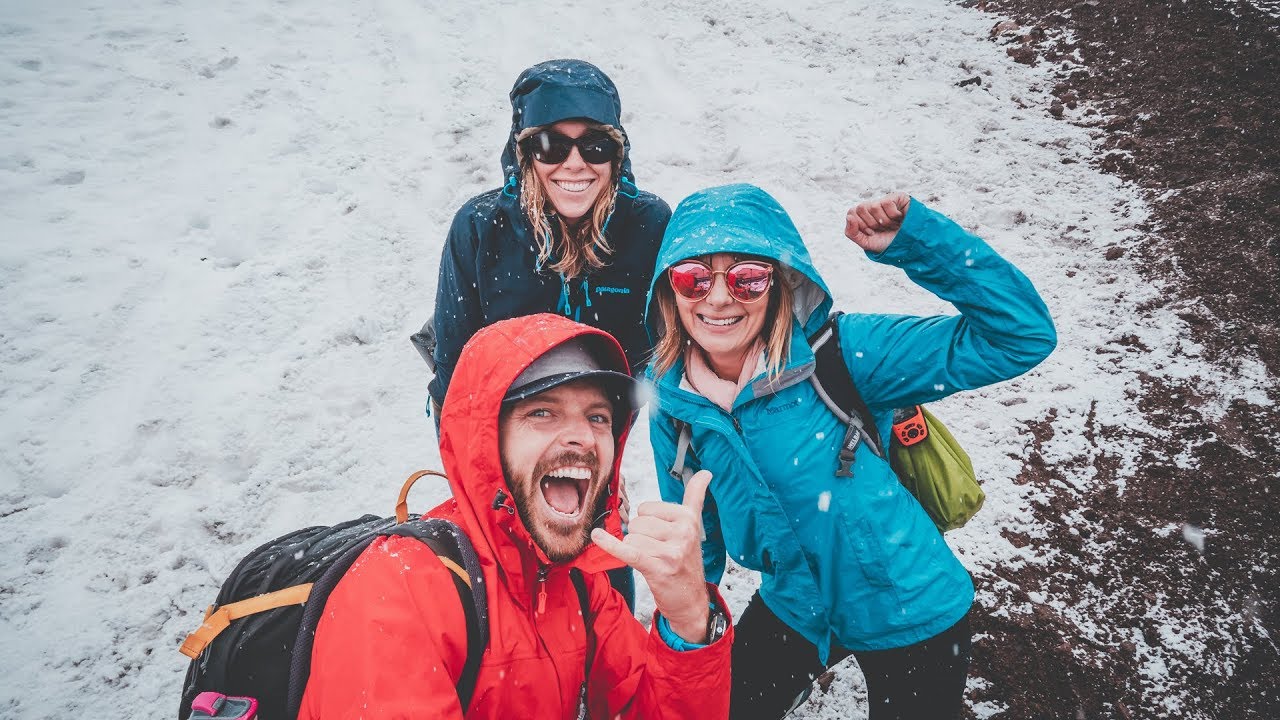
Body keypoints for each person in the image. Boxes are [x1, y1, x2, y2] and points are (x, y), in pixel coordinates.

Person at [643, 184, 1057, 719]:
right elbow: (692, 530)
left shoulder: (843, 353)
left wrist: (921, 243)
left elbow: (1020, 337)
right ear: (669, 292)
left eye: (748, 277)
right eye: (693, 277)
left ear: (780, 283)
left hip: (906, 598)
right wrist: (688, 620)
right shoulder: (673, 398)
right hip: (795, 601)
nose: (719, 298)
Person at [301, 314, 732, 719]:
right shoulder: (399, 594)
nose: (583, 436)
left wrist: (690, 621)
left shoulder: (581, 583)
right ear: (485, 441)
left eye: (597, 417)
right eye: (542, 412)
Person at [418, 58, 670, 609]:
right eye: (552, 145)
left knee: (601, 576)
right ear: (524, 150)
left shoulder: (648, 225)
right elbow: (456, 378)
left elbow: (665, 345)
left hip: (592, 445)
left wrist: (608, 453)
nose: (574, 164)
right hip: (508, 445)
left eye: (596, 146)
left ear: (618, 153)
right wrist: (485, 479)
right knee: (504, 593)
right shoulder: (482, 227)